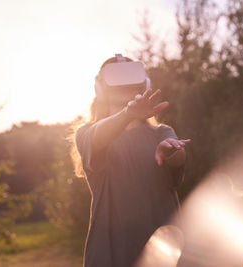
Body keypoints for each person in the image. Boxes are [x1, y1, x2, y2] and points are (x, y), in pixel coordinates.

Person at [71, 55, 190, 267]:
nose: (125, 88)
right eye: (117, 81)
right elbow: (99, 136)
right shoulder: (87, 133)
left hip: (164, 255)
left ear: (143, 85)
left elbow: (177, 156)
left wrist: (171, 151)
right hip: (112, 256)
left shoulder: (161, 132)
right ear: (101, 89)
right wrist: (127, 114)